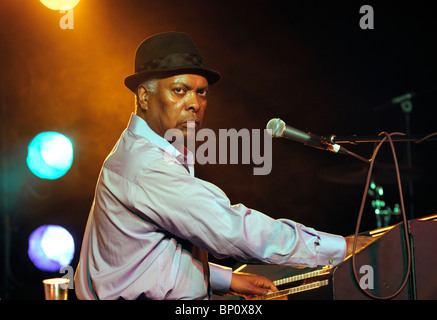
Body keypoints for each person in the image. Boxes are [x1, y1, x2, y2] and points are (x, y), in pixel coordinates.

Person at [74, 32, 369, 300]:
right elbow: (231, 229)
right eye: (180, 90)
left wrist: (227, 279)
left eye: (201, 92)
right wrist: (340, 249)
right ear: (144, 96)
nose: (194, 104)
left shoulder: (149, 150)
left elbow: (147, 256)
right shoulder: (145, 165)